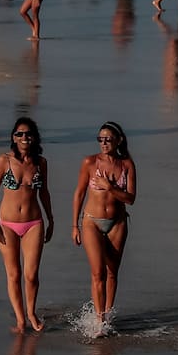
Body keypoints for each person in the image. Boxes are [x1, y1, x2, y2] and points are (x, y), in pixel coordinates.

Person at [0, 117, 54, 334]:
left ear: (35, 137)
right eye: (19, 134)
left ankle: (31, 312)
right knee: (14, 274)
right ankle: (21, 319)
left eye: (28, 134)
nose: (24, 138)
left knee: (31, 275)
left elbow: (44, 192)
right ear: (13, 138)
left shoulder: (40, 163)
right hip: (6, 224)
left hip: (34, 223)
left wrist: (51, 219)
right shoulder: (4, 161)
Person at [72, 121, 136, 334]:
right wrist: (75, 225)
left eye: (108, 139)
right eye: (101, 139)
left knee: (112, 273)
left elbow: (131, 199)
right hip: (91, 221)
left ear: (118, 140)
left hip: (117, 223)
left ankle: (107, 317)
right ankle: (99, 323)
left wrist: (110, 187)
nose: (104, 143)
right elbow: (79, 194)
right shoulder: (89, 162)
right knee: (98, 272)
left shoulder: (127, 165)